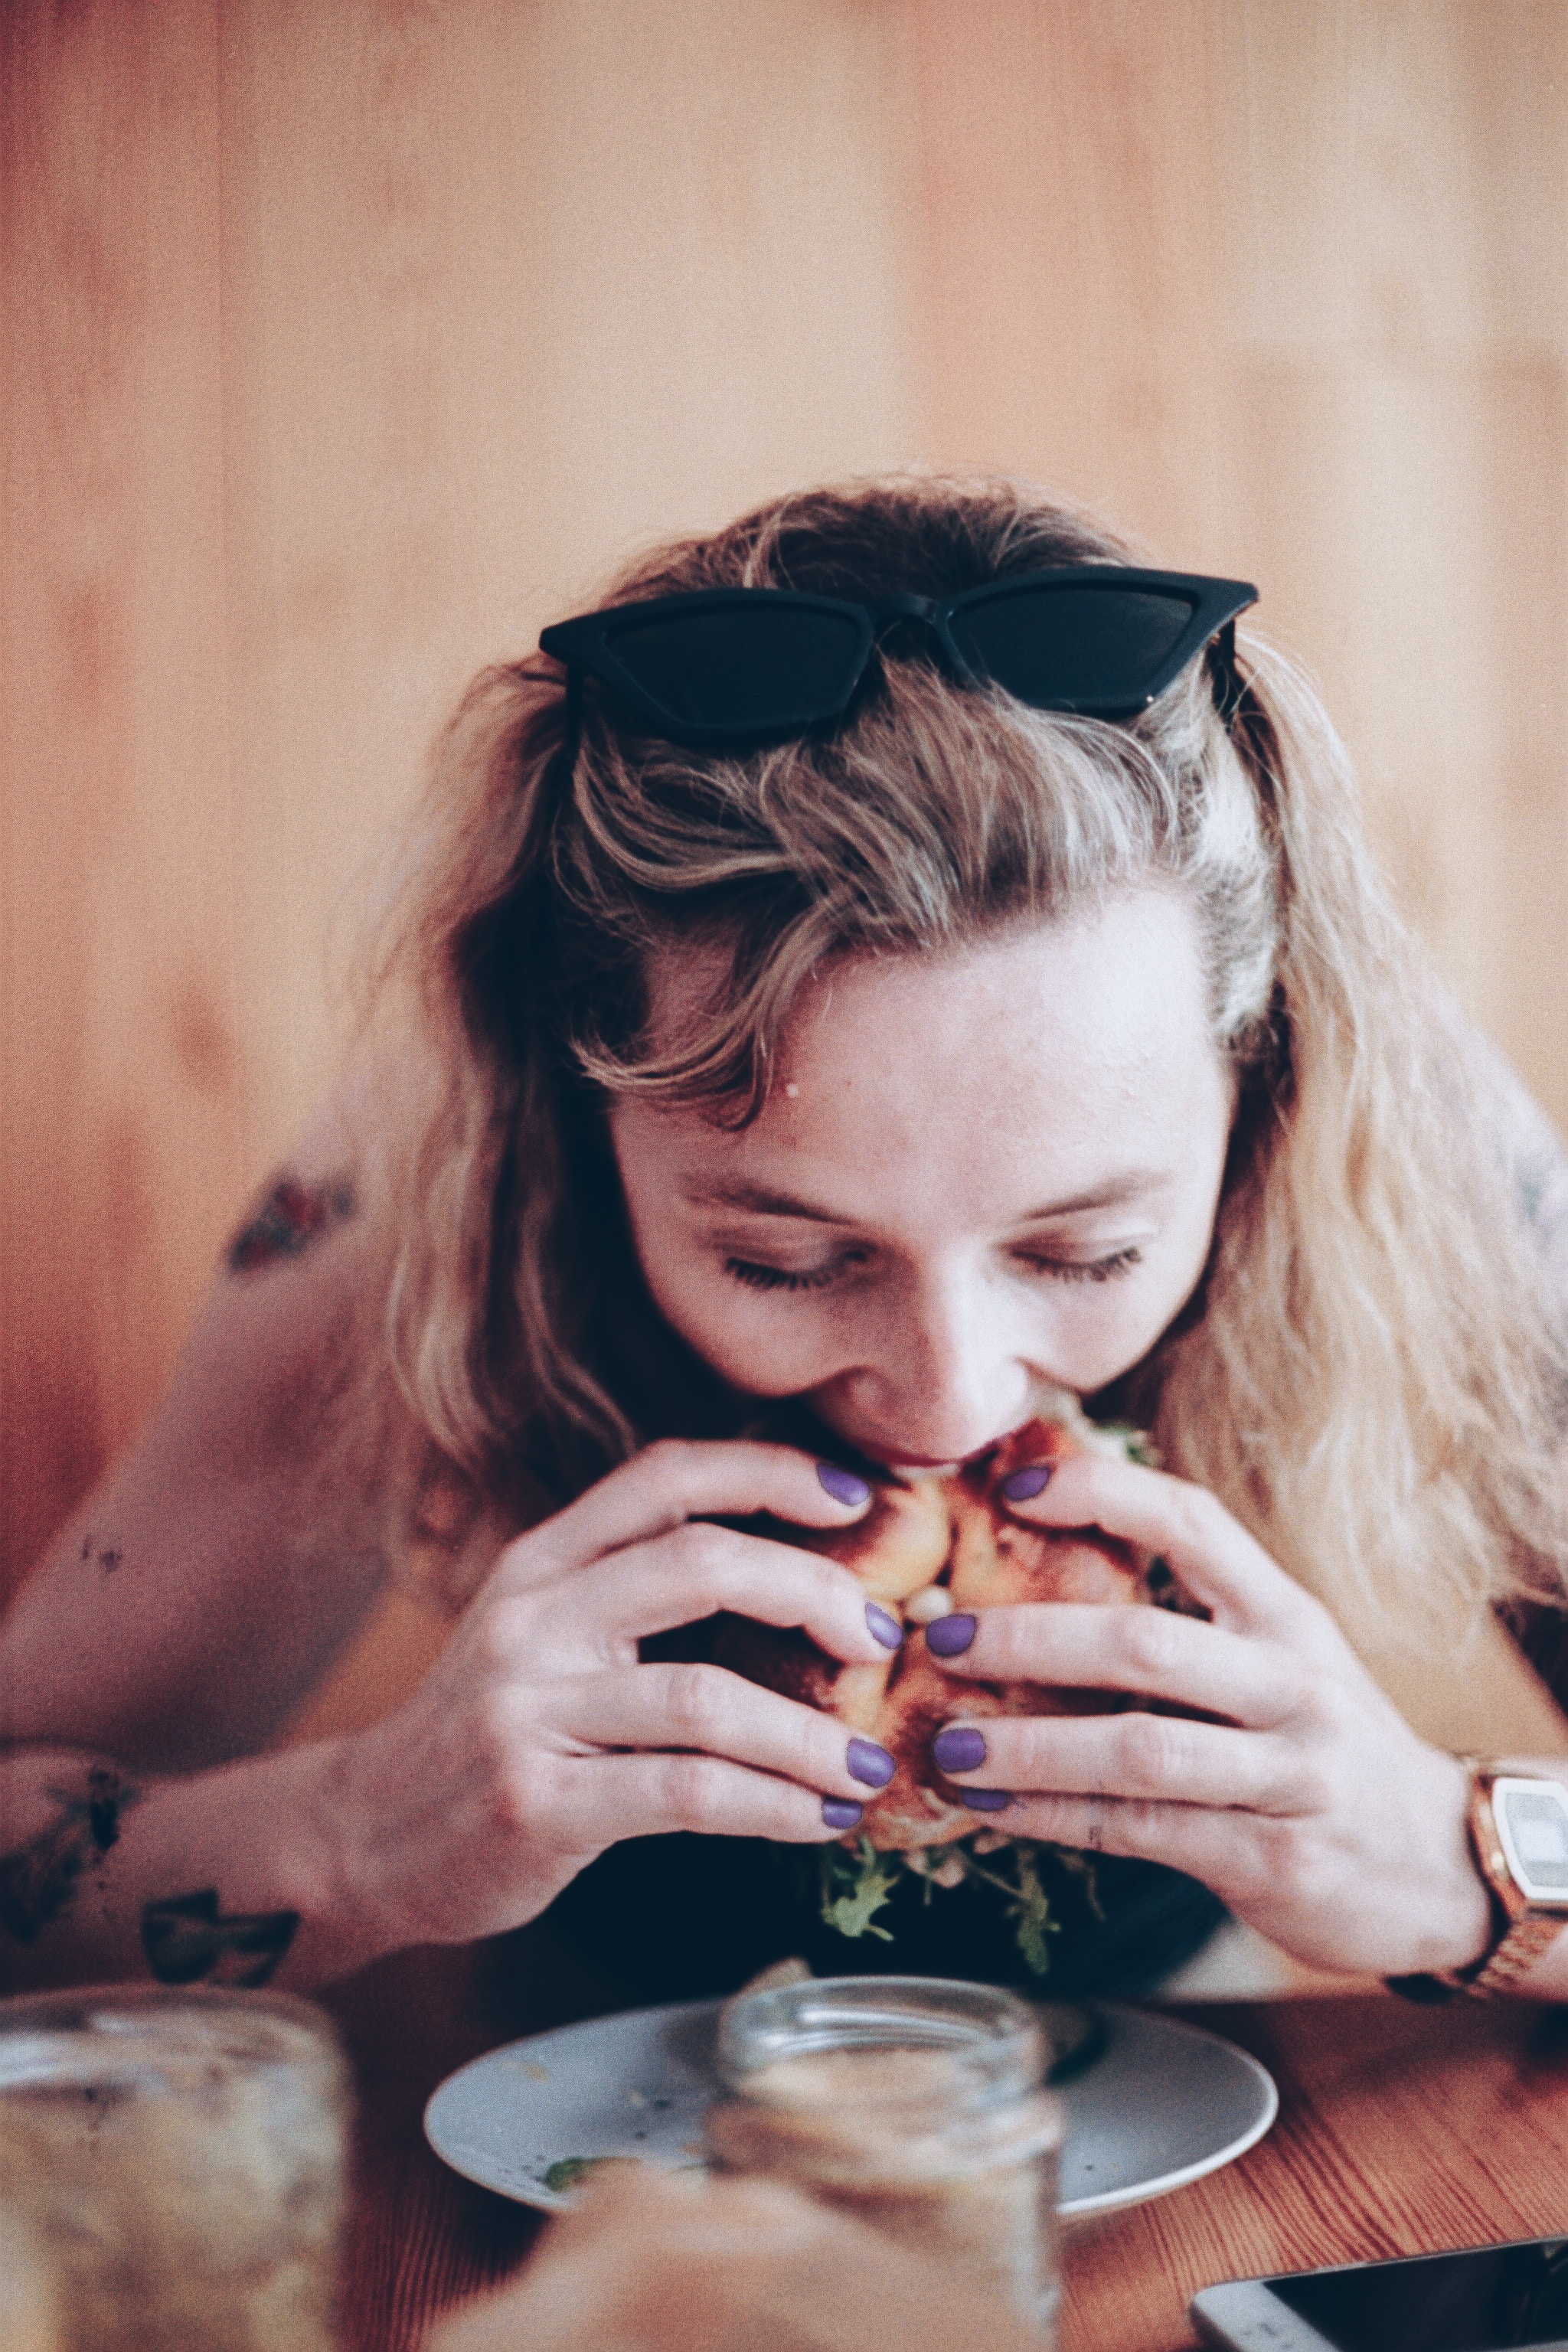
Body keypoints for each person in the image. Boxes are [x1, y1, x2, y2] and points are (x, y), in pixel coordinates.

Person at [5, 475, 1568, 2008]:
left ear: (1258, 1096)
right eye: (786, 1260)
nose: (952, 1398)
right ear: (577, 1118)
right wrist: (351, 1837)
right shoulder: (439, 1176)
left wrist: (1450, 1861)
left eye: (1084, 1252)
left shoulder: (1392, 1139)